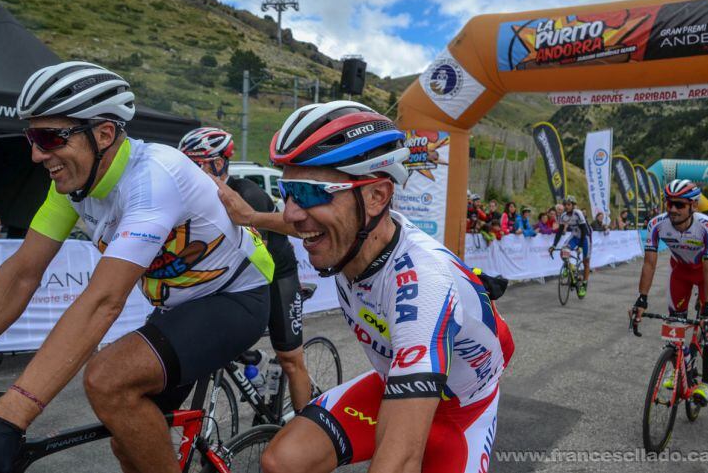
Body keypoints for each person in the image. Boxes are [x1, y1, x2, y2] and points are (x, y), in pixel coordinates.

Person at [0, 61, 274, 473]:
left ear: (104, 134)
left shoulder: (154, 176)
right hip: (180, 304)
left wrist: (8, 418)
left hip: (237, 295)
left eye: (49, 137)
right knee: (130, 443)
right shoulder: (71, 186)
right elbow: (22, 273)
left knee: (109, 378)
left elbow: (104, 300)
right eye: (31, 137)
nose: (36, 154)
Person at [214, 101, 514, 473]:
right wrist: (249, 217)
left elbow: (399, 461)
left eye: (309, 193)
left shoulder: (422, 283)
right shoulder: (351, 232)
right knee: (283, 461)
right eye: (287, 189)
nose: (292, 211)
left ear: (376, 196)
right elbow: (301, 223)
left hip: (460, 411)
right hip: (395, 382)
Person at [178, 127, 312, 410]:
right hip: (237, 274)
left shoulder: (247, 194)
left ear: (218, 163)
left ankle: (308, 428)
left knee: (290, 359)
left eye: (195, 163)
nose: (188, 170)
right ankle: (254, 362)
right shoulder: (192, 196)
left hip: (275, 274)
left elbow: (253, 258)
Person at [631, 179, 708, 406]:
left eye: (679, 205)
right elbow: (649, 264)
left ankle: (705, 385)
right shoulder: (657, 224)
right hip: (680, 273)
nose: (672, 209)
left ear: (693, 206)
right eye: (669, 203)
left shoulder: (707, 226)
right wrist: (642, 299)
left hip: (705, 274)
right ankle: (679, 366)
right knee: (675, 326)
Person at [549, 195, 592, 299]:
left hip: (585, 237)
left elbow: (584, 230)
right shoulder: (563, 216)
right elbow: (559, 231)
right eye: (565, 205)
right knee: (563, 251)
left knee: (586, 262)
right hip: (574, 236)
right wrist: (554, 245)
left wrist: (581, 246)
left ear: (573, 205)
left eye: (569, 204)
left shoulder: (578, 213)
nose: (567, 206)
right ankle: (570, 267)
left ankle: (584, 285)